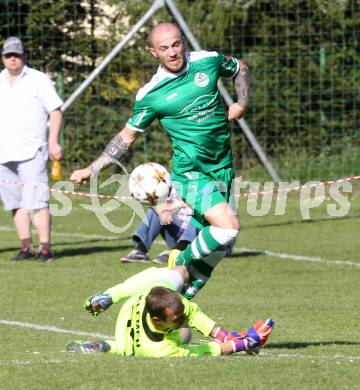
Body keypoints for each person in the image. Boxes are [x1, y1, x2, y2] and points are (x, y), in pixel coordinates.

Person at [71, 22, 250, 298]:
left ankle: (183, 298)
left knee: (219, 245)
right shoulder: (151, 95)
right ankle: (179, 260)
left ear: (183, 43)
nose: (173, 52)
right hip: (191, 173)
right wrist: (91, 169)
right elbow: (125, 138)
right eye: (164, 48)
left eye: (176, 44)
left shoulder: (207, 61)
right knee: (229, 227)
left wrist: (241, 102)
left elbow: (240, 68)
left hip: (223, 167)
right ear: (153, 53)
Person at [66, 266, 274, 358]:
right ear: (157, 320)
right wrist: (243, 343)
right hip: (136, 342)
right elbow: (204, 351)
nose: (184, 317)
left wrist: (110, 296)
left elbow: (199, 320)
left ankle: (103, 345)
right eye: (177, 318)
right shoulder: (160, 349)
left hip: (130, 310)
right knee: (185, 335)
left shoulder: (160, 293)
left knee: (181, 271)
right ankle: (106, 346)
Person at [0, 37, 63, 261]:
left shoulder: (39, 79)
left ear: (24, 57)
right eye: (8, 55)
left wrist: (53, 141)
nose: (13, 59)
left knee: (38, 201)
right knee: (15, 204)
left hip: (32, 151)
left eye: (16, 54)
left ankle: (45, 247)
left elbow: (55, 110)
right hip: (4, 154)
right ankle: (25, 247)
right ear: (3, 58)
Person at [121, 203, 198, 264]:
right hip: (180, 230)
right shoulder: (177, 185)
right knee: (156, 210)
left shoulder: (206, 184)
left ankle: (177, 252)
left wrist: (173, 205)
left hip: (197, 237)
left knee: (198, 214)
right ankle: (140, 251)